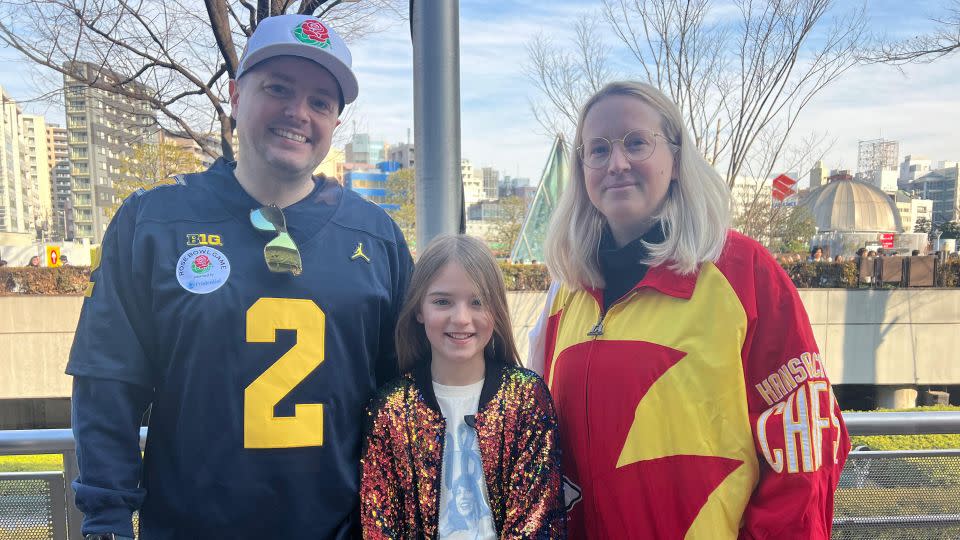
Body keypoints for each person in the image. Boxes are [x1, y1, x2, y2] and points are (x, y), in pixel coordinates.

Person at [66, 14, 413, 539]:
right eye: (278, 88)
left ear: (336, 123)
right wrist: (107, 519)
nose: (299, 112)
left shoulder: (378, 236)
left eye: (321, 101)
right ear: (234, 95)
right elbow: (108, 385)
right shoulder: (153, 222)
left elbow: (405, 397)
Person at [528, 81, 849, 539]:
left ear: (676, 159)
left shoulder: (744, 273)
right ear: (582, 170)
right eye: (596, 150)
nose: (616, 163)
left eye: (636, 142)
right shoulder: (567, 290)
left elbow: (805, 446)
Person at [360, 235, 565, 538]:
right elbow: (378, 523)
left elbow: (539, 516)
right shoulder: (390, 410)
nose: (461, 318)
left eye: (478, 302)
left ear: (496, 310)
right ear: (419, 309)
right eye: (443, 301)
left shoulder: (526, 399)